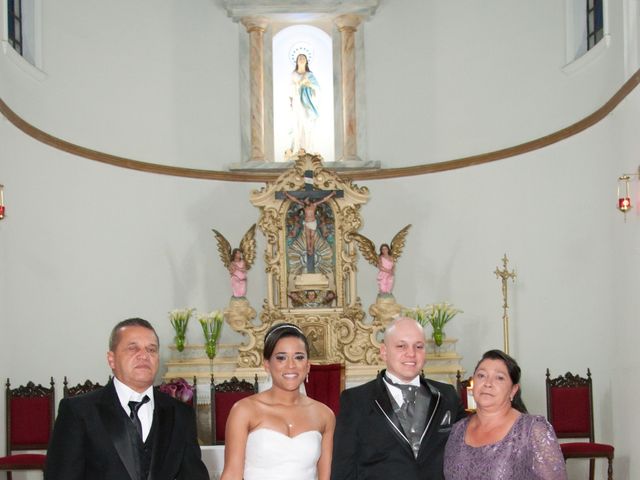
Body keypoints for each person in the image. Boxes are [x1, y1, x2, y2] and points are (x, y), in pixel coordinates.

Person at [44, 318, 209, 480]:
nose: (144, 356)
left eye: (151, 349)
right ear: (111, 359)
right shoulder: (78, 411)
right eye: (133, 348)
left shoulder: (181, 413)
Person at [331, 317, 466, 480]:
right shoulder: (355, 400)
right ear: (384, 352)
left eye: (419, 346)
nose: (411, 353)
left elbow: (468, 451)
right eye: (401, 346)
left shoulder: (447, 396)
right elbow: (343, 469)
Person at [220, 323, 335, 480]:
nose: (291, 365)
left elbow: (325, 477)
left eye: (299, 357)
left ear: (308, 366)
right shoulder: (244, 410)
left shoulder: (324, 415)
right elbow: (232, 474)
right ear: (267, 365)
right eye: (281, 358)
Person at [443, 350, 567, 480]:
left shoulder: (532, 430)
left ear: (513, 390)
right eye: (481, 375)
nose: (488, 383)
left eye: (499, 378)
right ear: (472, 384)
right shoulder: (457, 430)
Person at [285, 191, 336, 255]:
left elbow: (324, 199)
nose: (305, 201)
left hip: (313, 222)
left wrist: (332, 194)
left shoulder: (314, 205)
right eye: (305, 200)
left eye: (306, 200)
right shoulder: (304, 206)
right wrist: (287, 194)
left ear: (309, 200)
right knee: (307, 236)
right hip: (307, 222)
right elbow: (295, 199)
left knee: (312, 236)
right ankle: (309, 248)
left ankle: (311, 248)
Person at [288, 53, 320, 156]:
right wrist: (299, 84)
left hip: (307, 104)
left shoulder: (310, 75)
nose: (301, 60)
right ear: (297, 61)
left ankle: (309, 150)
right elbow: (290, 90)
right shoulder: (293, 74)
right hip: (297, 102)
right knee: (297, 125)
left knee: (308, 125)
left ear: (306, 61)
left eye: (303, 58)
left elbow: (317, 88)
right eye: (299, 58)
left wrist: (307, 83)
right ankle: (298, 149)